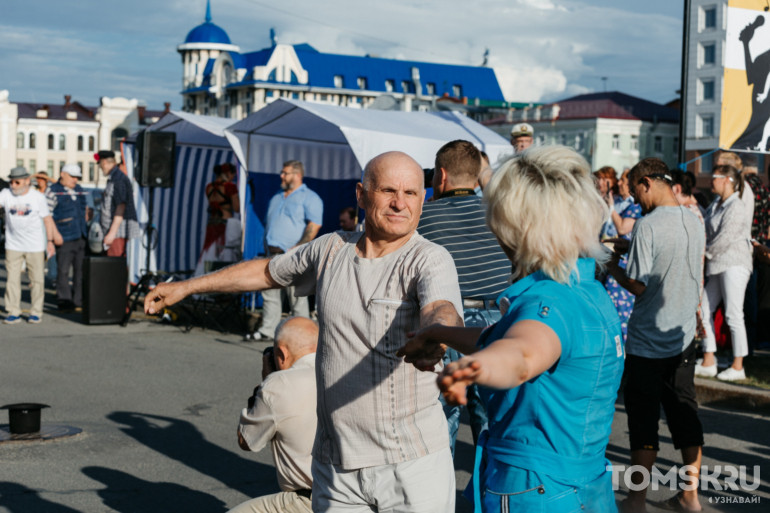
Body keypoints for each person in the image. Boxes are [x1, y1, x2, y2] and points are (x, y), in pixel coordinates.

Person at [145, 151, 463, 513]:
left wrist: (435, 335)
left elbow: (441, 309)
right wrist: (187, 287)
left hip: (409, 465)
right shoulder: (330, 249)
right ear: (361, 195)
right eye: (388, 190)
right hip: (335, 467)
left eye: (410, 193)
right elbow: (267, 272)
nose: (399, 203)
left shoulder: (429, 258)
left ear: (424, 200)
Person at [400, 145, 623, 512]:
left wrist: (471, 369)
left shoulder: (546, 303)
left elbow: (522, 355)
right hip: (584, 485)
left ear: (519, 228)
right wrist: (437, 334)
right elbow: (505, 338)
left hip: (533, 489)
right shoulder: (586, 291)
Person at [606, 157, 705, 513]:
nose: (637, 199)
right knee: (685, 414)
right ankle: (690, 496)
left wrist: (612, 266)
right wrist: (630, 249)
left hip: (648, 341)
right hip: (682, 336)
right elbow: (676, 263)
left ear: (647, 183)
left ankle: (636, 500)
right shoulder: (694, 221)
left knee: (644, 422)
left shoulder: (647, 225)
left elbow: (638, 285)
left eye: (636, 192)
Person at [417, 139, 510, 455]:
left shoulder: (423, 218)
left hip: (452, 322)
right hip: (499, 321)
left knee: (445, 414)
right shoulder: (502, 214)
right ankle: (486, 498)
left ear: (440, 177)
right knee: (493, 420)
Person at [229, 317, 319, 513]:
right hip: (356, 496)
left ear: (281, 353)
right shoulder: (340, 373)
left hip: (312, 500)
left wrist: (264, 385)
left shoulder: (279, 384)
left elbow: (247, 442)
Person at [252, 160, 323, 341]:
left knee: (296, 297)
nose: (281, 176)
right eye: (282, 173)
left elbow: (314, 225)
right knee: (270, 294)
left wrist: (298, 248)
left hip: (293, 256)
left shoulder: (310, 197)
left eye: (285, 173)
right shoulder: (277, 197)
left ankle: (303, 335)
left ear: (297, 175)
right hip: (272, 253)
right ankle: (268, 331)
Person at [695, 165, 753, 381]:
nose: (711, 181)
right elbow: (706, 226)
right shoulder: (716, 204)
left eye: (715, 177)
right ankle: (708, 359)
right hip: (717, 263)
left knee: (733, 313)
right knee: (702, 308)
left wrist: (703, 254)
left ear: (727, 180)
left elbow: (725, 237)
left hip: (734, 263)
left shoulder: (735, 205)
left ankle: (738, 365)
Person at [0, 167, 58, 324]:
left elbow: (47, 220)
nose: (13, 185)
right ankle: (13, 311)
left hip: (35, 245)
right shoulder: (5, 194)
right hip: (13, 244)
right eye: (11, 181)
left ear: (27, 181)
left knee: (37, 280)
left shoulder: (37, 197)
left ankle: (36, 312)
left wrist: (50, 242)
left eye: (17, 182)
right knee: (12, 279)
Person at [601, 169, 642, 340]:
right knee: (610, 304)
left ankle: (622, 344)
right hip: (612, 260)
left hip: (625, 262)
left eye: (624, 181)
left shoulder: (635, 206)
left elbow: (623, 228)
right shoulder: (620, 202)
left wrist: (610, 208)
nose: (620, 184)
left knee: (621, 307)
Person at [47, 164, 90, 312]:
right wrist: (53, 235)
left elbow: (85, 209)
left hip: (80, 236)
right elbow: (48, 215)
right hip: (64, 236)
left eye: (77, 177)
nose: (75, 180)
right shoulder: (53, 191)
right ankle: (64, 300)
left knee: (80, 271)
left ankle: (78, 299)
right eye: (72, 176)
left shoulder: (79, 190)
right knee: (63, 271)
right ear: (62, 174)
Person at [196, 163, 241, 275]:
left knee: (209, 253)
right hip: (226, 224)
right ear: (228, 173)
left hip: (212, 224)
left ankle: (203, 277)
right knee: (226, 254)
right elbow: (237, 208)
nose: (233, 177)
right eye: (233, 175)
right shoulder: (230, 187)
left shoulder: (209, 187)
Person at [96, 150, 140, 258]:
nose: (100, 167)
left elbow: (121, 206)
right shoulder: (114, 178)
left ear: (104, 162)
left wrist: (112, 233)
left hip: (119, 233)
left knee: (115, 267)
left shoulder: (118, 179)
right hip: (116, 233)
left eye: (100, 164)